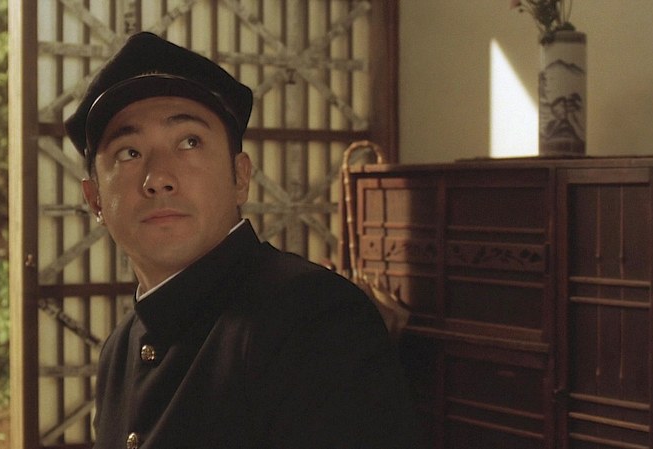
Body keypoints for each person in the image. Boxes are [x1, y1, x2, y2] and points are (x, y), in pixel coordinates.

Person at [65, 31, 419, 449]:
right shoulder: (119, 350)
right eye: (129, 152)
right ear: (95, 199)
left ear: (241, 177)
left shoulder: (313, 317)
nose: (158, 178)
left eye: (189, 142)